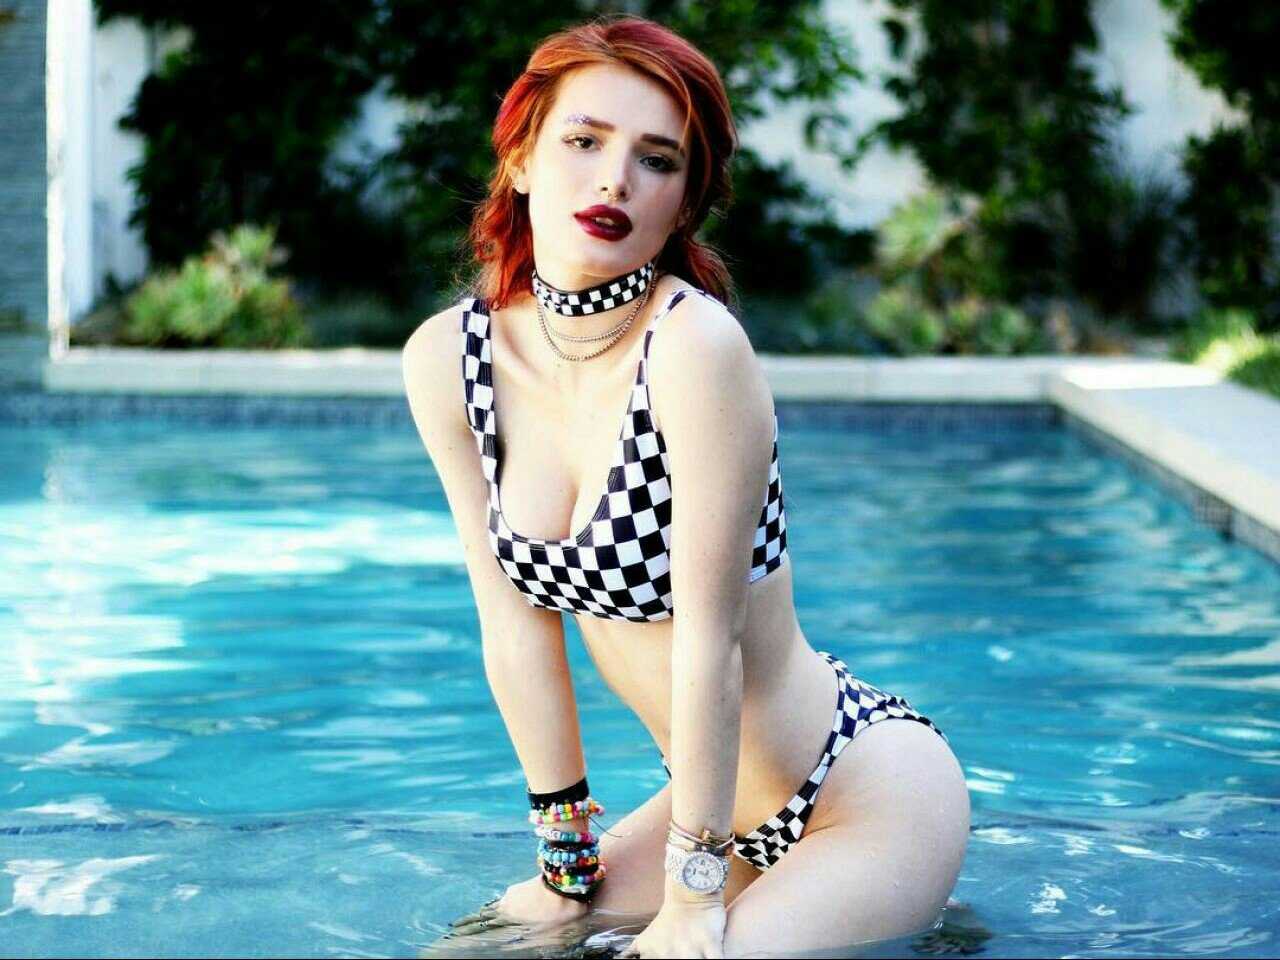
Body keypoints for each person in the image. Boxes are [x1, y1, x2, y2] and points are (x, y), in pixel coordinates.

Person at [402, 15, 970, 959]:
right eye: (584, 141)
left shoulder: (692, 348)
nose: (614, 180)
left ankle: (876, 903)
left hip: (859, 795)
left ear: (684, 203)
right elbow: (512, 624)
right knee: (484, 947)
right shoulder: (449, 361)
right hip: (710, 812)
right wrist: (566, 869)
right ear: (522, 160)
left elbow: (713, 639)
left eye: (656, 160)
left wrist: (693, 893)